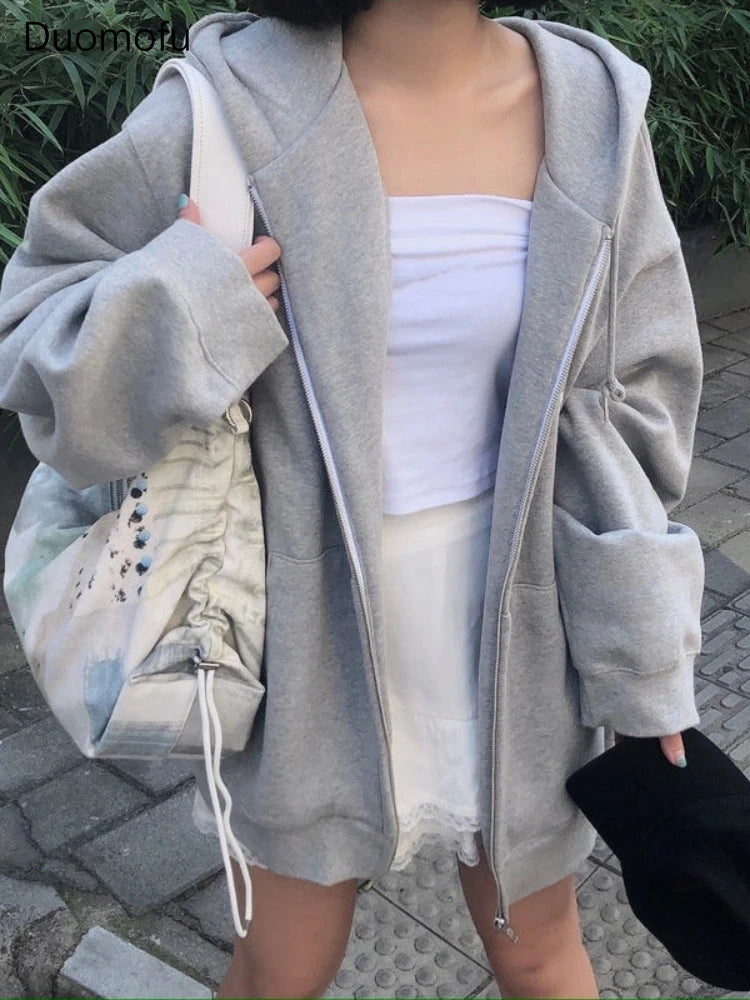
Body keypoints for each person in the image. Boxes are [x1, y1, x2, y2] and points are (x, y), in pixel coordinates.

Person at [0, 0, 705, 997]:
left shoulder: (593, 109)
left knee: (539, 952)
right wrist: (185, 307)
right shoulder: (225, 106)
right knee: (284, 963)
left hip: (520, 636)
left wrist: (640, 650)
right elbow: (31, 334)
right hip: (306, 644)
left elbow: (634, 398)